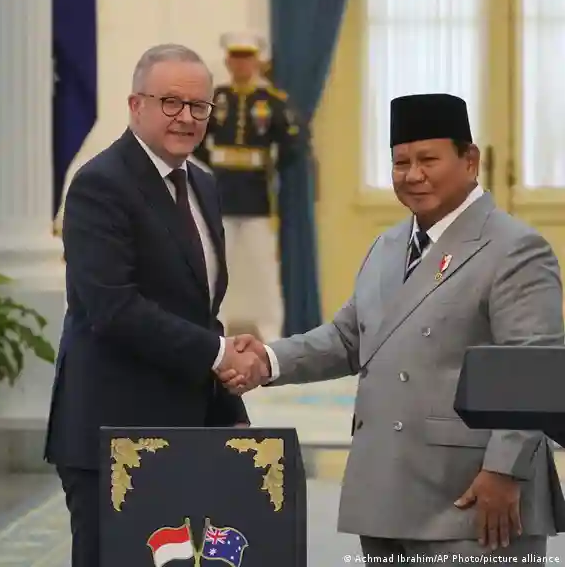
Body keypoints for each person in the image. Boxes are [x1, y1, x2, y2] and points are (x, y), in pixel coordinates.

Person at [217, 94, 565, 563]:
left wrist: (505, 471)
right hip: (387, 492)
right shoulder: (389, 244)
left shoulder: (514, 248)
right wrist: (267, 359)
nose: (413, 175)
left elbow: (531, 369)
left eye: (428, 160)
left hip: (474, 497)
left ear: (470, 160)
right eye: (401, 162)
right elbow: (349, 338)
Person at [44, 44, 267, 567]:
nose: (185, 117)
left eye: (199, 106)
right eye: (170, 102)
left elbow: (200, 309)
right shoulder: (100, 184)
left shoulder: (203, 184)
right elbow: (112, 308)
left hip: (188, 432)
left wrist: (230, 411)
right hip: (113, 435)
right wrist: (220, 354)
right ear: (135, 104)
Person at [192, 31, 306, 343]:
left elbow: (293, 142)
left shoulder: (272, 101)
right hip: (221, 192)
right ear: (228, 61)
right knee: (214, 265)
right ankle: (215, 327)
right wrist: (212, 164)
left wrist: (272, 166)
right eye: (236, 57)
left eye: (247, 57)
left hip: (257, 195)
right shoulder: (216, 99)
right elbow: (195, 137)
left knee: (264, 268)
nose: (241, 64)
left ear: (258, 61)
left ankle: (271, 332)